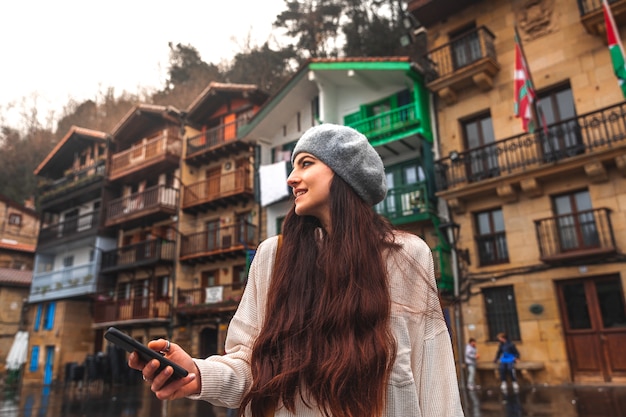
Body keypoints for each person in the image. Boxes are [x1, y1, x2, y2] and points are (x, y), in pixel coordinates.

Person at [129, 124, 464, 417]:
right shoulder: (272, 256)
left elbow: (434, 373)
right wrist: (197, 374)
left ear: (344, 174)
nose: (292, 178)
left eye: (306, 163)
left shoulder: (408, 254)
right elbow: (250, 362)